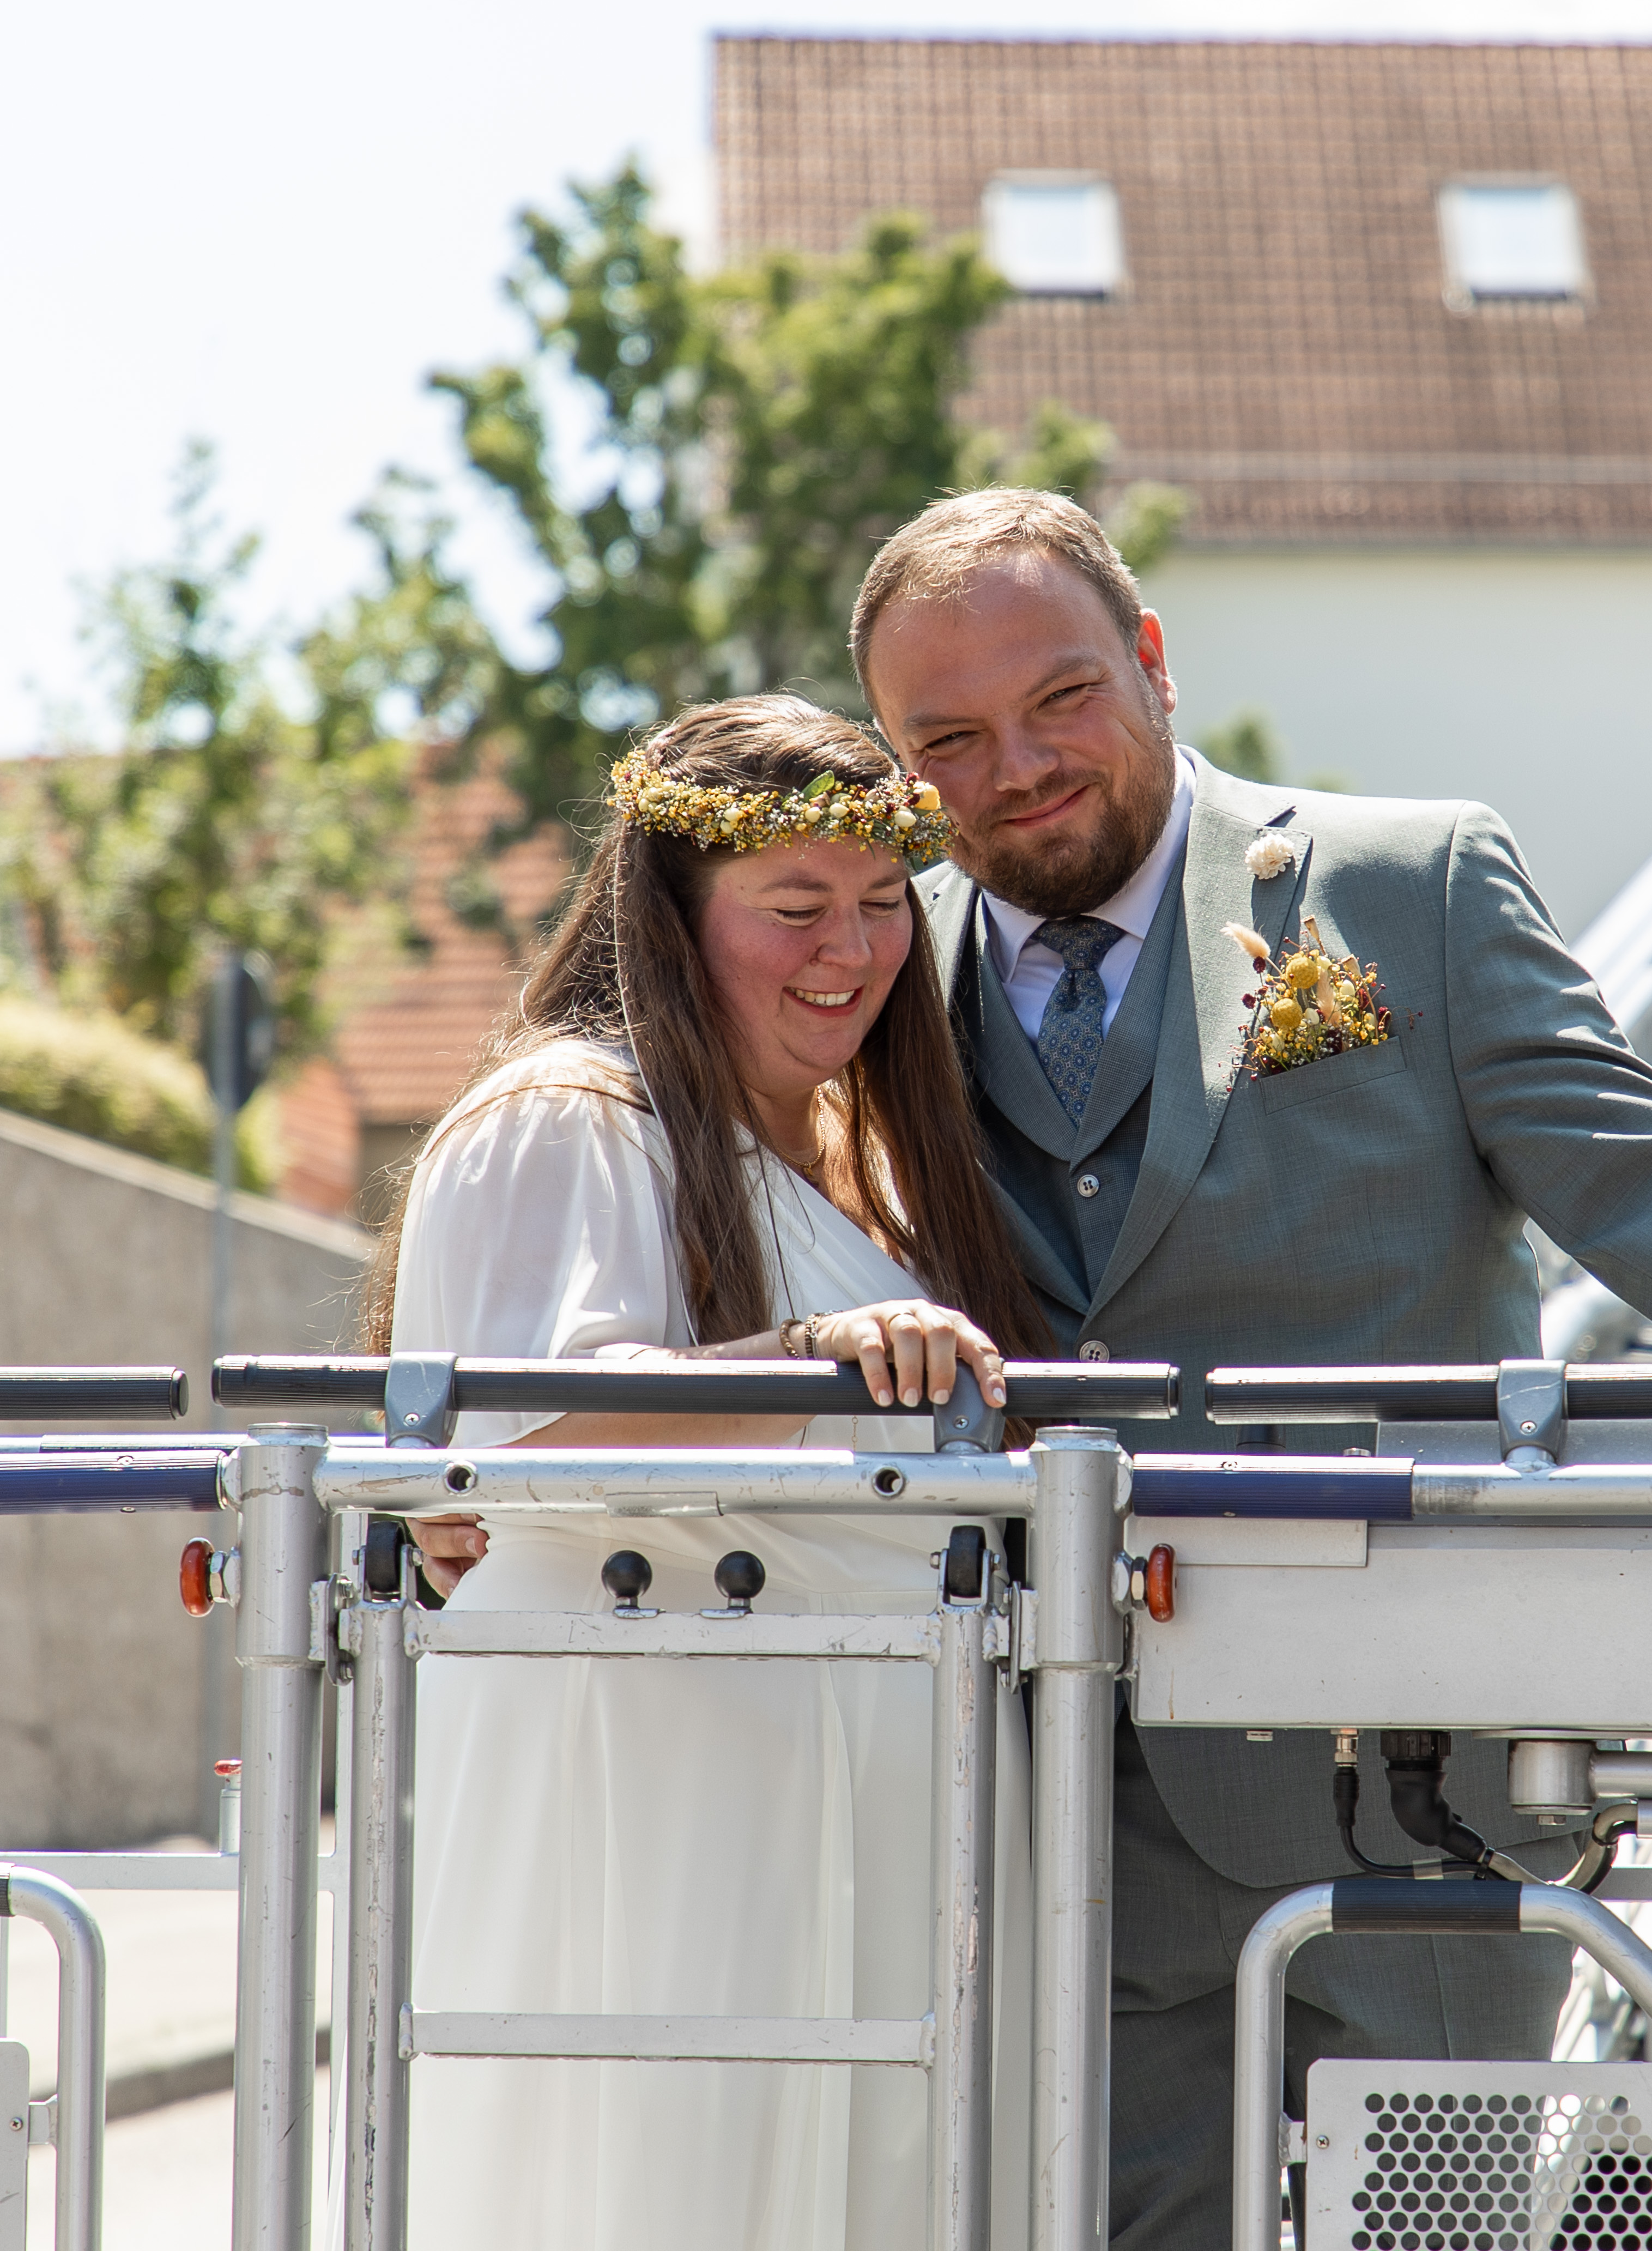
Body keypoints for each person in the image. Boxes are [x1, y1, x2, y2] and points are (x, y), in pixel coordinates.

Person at [846, 487, 1652, 2251]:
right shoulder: (886, 972)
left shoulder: (1402, 884)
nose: (1017, 768)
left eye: (1059, 700)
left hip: (1400, 1763)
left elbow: (1642, 1174)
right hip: (1050, 1767)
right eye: (947, 739)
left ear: (1156, 661)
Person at [372, 695, 1048, 2249]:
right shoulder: (572, 1116)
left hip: (868, 1812)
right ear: (673, 919)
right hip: (661, 1815)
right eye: (795, 907)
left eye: (884, 905)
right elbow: (528, 1433)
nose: (853, 949)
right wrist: (820, 1355)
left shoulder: (858, 1155)